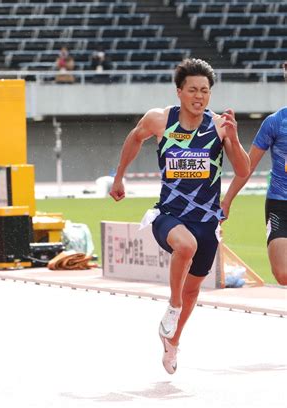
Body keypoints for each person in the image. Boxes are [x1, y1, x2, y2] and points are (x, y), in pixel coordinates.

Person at [109, 58, 250, 374]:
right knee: (185, 247)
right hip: (168, 215)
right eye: (193, 90)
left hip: (207, 221)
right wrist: (119, 177)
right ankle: (172, 307)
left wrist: (235, 138)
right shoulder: (160, 120)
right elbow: (134, 137)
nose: (199, 97)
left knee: (193, 290)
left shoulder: (218, 126)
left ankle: (172, 343)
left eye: (205, 91)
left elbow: (243, 170)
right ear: (179, 92)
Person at [221, 64, 287, 285]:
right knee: (283, 274)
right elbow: (246, 166)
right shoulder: (275, 123)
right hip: (280, 204)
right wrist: (227, 201)